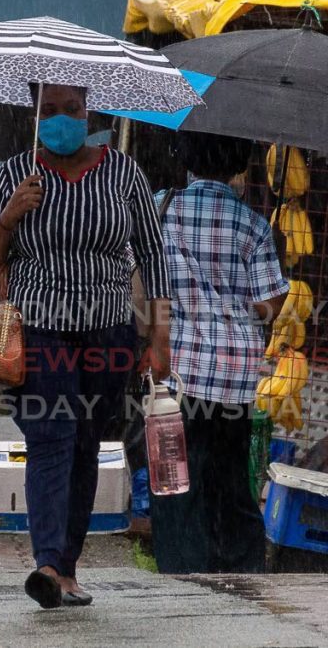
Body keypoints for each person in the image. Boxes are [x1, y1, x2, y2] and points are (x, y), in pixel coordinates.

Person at [0, 83, 171, 608]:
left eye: (72, 110)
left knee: (86, 442)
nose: (61, 120)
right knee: (51, 435)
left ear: (90, 113)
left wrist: (160, 330)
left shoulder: (124, 172)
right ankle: (48, 563)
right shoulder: (15, 173)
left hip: (109, 335)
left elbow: (152, 254)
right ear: (36, 115)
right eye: (51, 111)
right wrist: (12, 214)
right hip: (40, 331)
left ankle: (68, 566)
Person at [150, 132, 288, 574]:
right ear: (239, 161)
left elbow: (141, 278)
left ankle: (181, 574)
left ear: (187, 156)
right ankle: (239, 573)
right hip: (233, 379)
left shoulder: (160, 209)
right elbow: (272, 303)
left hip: (174, 377)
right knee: (229, 480)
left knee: (175, 485)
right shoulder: (253, 225)